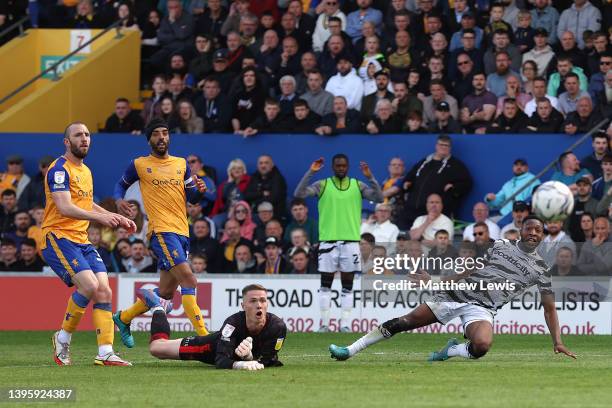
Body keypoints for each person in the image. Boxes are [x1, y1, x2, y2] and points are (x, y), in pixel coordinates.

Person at [329, 216, 577, 362]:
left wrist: (558, 341)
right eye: (529, 228)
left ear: (543, 235)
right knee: (405, 322)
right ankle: (349, 350)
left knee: (482, 346)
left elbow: (549, 309)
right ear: (521, 230)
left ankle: (453, 350)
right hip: (457, 294)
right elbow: (468, 271)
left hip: (484, 308)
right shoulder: (501, 244)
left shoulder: (541, 269)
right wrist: (435, 282)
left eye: (538, 230)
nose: (533, 232)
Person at [42, 122, 135, 366]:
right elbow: (64, 207)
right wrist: (101, 218)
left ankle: (105, 351)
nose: (84, 139)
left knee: (104, 290)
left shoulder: (85, 171)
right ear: (66, 141)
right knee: (90, 285)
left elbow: (85, 204)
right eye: (78, 135)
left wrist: (115, 216)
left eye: (87, 135)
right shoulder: (59, 170)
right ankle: (62, 339)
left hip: (81, 239)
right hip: (58, 236)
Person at [113, 118, 210, 349]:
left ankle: (124, 318)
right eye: (156, 134)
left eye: (165, 133)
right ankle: (206, 338)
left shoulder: (181, 164)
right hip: (160, 230)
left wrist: (200, 192)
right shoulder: (139, 164)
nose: (161, 137)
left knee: (166, 293)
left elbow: (191, 197)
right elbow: (120, 185)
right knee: (189, 279)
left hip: (181, 231)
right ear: (149, 139)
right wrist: (118, 201)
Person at [295, 154, 383, 332]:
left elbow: (379, 198)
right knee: (325, 285)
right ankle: (325, 324)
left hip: (351, 242)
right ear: (333, 167)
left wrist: (369, 177)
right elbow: (299, 194)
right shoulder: (323, 185)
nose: (341, 168)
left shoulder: (358, 185)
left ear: (348, 166)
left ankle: (344, 324)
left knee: (347, 285)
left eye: (343, 166)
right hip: (328, 242)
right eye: (337, 166)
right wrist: (311, 172)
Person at [146, 284, 286, 370]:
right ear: (243, 306)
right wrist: (240, 365)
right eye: (253, 301)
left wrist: (249, 357)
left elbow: (267, 360)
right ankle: (159, 308)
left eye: (263, 300)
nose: (259, 305)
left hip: (239, 356)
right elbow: (221, 360)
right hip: (210, 347)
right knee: (156, 348)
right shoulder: (233, 323)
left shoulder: (278, 327)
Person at [400, 135, 472, 230]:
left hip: (436, 214)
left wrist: (454, 187)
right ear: (436, 146)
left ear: (450, 148)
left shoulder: (455, 165)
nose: (443, 147)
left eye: (446, 145)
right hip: (412, 210)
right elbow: (410, 176)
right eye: (441, 144)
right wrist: (407, 183)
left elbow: (467, 183)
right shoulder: (424, 162)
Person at [244, 155, 287, 222]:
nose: (263, 166)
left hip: (274, 215)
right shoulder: (254, 177)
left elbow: (273, 199)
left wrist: (255, 202)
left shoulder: (278, 179)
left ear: (272, 165)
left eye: (266, 163)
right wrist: (261, 193)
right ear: (258, 166)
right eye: (261, 163)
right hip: (255, 213)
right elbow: (246, 195)